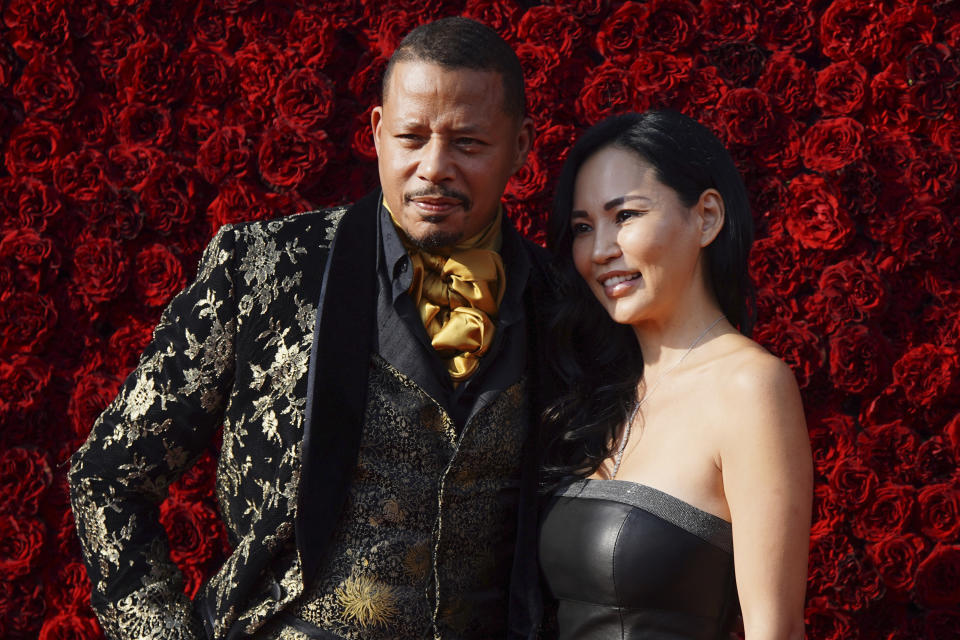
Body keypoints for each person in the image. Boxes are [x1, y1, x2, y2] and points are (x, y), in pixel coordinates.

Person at [69, 18, 553, 640]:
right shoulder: (261, 269)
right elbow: (108, 477)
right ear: (377, 133)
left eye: (469, 144)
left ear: (521, 145)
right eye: (411, 138)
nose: (434, 167)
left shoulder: (562, 300)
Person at [538, 111, 812, 640]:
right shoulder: (595, 393)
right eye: (583, 227)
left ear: (706, 217)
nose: (599, 251)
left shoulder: (751, 387)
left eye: (626, 216)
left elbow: (774, 630)